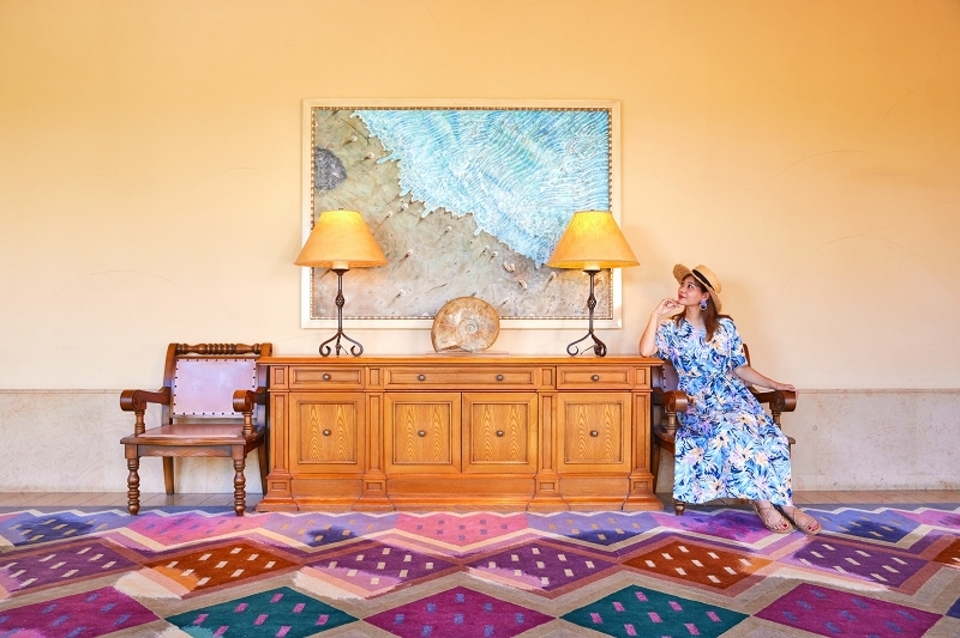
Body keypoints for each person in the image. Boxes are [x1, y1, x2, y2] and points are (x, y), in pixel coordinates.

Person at [638, 264, 821, 535]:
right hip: (698, 403)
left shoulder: (725, 326)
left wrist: (775, 384)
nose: (682, 289)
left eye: (690, 286)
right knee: (730, 430)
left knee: (770, 437)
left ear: (705, 296)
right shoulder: (671, 328)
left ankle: (788, 505)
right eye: (683, 284)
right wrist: (656, 314)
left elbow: (740, 368)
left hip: (734, 398)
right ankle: (764, 504)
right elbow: (645, 351)